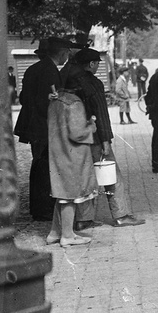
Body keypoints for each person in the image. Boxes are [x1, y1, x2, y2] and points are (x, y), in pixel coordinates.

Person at [62, 49, 143, 228]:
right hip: (95, 138)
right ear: (91, 64)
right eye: (97, 63)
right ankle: (121, 215)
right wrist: (106, 140)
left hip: (73, 139)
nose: (98, 66)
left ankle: (84, 220)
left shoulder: (67, 80)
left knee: (85, 178)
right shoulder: (92, 83)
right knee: (112, 176)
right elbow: (101, 113)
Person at [13, 36, 74, 221]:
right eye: (67, 54)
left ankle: (38, 207)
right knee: (44, 167)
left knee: (39, 165)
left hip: (33, 126)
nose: (67, 58)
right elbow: (46, 103)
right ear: (62, 53)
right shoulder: (50, 71)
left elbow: (24, 98)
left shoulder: (33, 69)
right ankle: (43, 209)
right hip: (44, 127)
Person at [46, 82, 98, 247]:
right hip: (72, 155)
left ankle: (54, 232)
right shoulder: (74, 103)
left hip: (57, 151)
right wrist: (91, 127)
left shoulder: (56, 100)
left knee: (62, 192)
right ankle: (67, 235)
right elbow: (77, 133)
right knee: (70, 195)